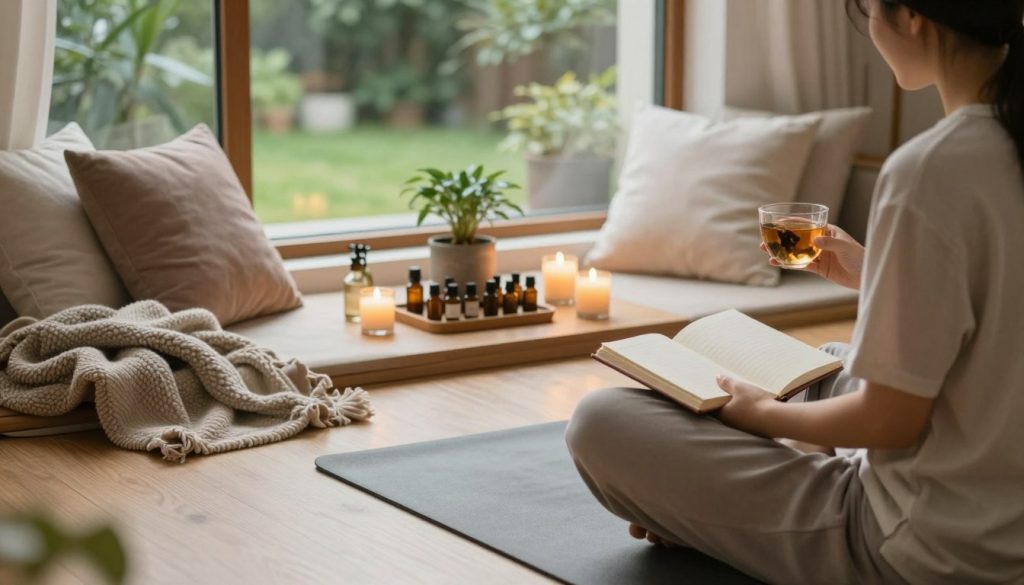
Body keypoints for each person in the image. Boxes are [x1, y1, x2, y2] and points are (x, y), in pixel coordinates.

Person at [565, 1, 1024, 582]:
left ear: (909, 16)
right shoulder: (1001, 142)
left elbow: (889, 423)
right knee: (831, 363)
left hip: (926, 547)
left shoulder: (931, 168)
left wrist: (763, 419)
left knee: (601, 420)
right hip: (1001, 496)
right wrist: (877, 270)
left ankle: (714, 509)